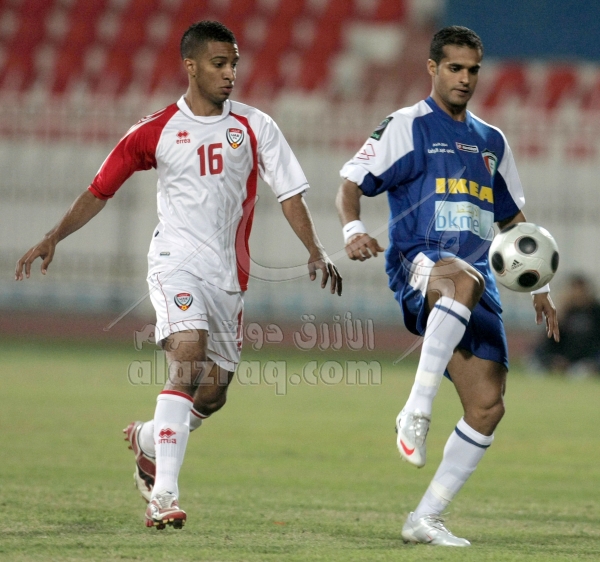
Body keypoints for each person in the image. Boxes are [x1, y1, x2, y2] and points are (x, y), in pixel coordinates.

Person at [15, 20, 341, 530]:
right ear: (190, 66)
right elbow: (100, 190)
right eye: (219, 63)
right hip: (175, 261)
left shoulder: (256, 125)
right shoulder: (156, 129)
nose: (230, 73)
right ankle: (163, 494)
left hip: (228, 276)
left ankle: (148, 438)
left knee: (213, 392)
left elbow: (290, 193)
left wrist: (315, 250)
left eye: (234, 64)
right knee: (187, 356)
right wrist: (55, 235)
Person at [336, 26, 558, 547]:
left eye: (473, 70)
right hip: (420, 261)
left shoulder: (492, 141)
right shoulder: (407, 125)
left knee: (487, 406)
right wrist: (353, 230)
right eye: (455, 68)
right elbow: (351, 183)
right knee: (461, 278)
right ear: (433, 68)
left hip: (475, 282)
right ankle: (415, 409)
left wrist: (540, 286)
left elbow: (513, 220)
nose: (465, 78)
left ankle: (425, 518)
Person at [531, 274, 600, 377]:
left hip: (587, 359)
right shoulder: (565, 312)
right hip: (564, 358)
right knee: (537, 359)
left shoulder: (596, 312)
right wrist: (556, 359)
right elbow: (549, 341)